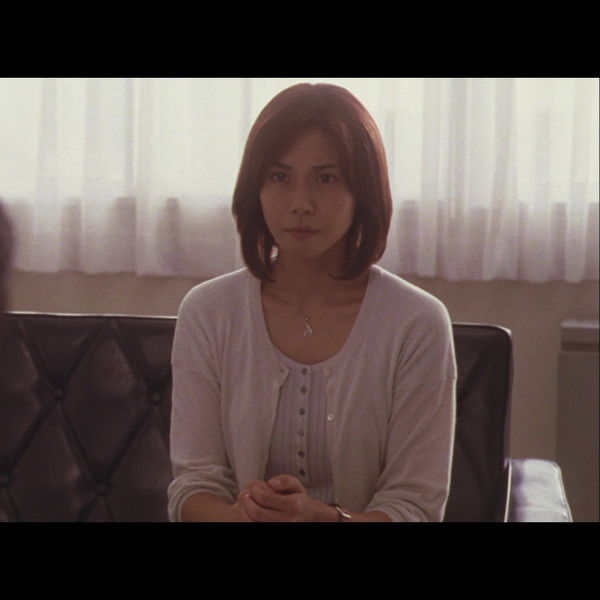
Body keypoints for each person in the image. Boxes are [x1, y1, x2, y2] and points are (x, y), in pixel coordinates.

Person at [167, 83, 457, 522]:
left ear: (362, 192)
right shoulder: (207, 312)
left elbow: (414, 507)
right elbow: (194, 487)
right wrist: (251, 518)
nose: (301, 204)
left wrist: (323, 519)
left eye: (326, 178)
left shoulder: (417, 322)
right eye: (280, 177)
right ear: (255, 188)